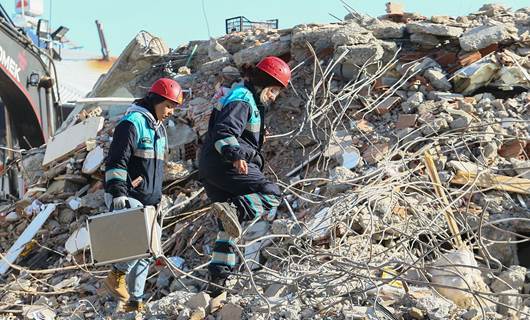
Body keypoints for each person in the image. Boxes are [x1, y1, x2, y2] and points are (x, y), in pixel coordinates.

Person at [199, 56, 291, 295]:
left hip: (212, 165)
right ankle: (236, 208)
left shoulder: (244, 97)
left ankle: (217, 284)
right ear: (263, 85)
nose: (274, 96)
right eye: (273, 90)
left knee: (228, 229)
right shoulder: (243, 99)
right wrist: (236, 154)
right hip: (225, 163)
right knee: (271, 194)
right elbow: (225, 131)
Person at [103, 78, 184, 312]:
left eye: (173, 107)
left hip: (149, 200)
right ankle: (116, 275)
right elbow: (117, 160)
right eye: (168, 106)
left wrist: (157, 199)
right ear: (156, 100)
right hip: (128, 195)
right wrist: (118, 192)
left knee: (149, 252)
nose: (170, 112)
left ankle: (134, 303)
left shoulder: (156, 129)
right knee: (141, 244)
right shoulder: (133, 122)